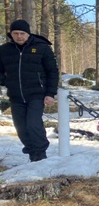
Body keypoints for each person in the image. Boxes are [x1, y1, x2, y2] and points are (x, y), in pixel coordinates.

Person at [0, 19, 59, 162]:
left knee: (33, 124)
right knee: (21, 127)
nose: (19, 36)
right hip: (15, 96)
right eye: (16, 33)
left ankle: (40, 155)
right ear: (11, 34)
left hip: (36, 95)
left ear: (28, 34)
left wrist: (50, 94)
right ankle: (32, 152)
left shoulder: (42, 47)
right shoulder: (4, 50)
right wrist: (5, 81)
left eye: (22, 33)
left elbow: (52, 71)